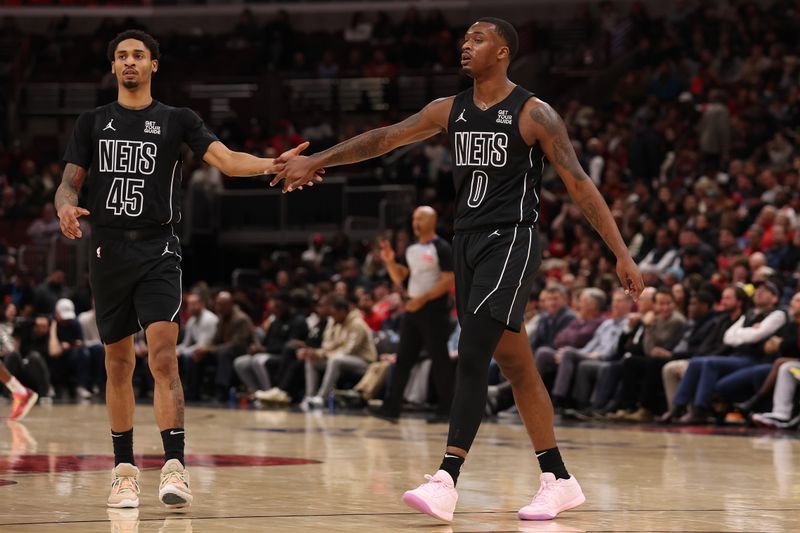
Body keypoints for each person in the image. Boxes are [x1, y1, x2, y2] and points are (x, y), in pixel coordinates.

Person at [274, 17, 643, 522]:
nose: (465, 45)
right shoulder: (450, 109)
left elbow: (579, 183)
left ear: (503, 53)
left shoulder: (535, 113)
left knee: (471, 352)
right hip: (466, 241)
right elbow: (386, 137)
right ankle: (557, 478)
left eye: (477, 39)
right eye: (465, 38)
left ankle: (447, 477)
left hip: (511, 239)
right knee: (515, 364)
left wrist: (620, 252)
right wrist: (320, 160)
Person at [54, 29, 313, 510]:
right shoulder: (92, 122)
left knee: (163, 356)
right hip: (107, 250)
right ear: (113, 67)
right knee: (117, 363)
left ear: (155, 65)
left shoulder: (177, 120)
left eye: (138, 56)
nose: (129, 62)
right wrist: (64, 207)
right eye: (122, 56)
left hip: (158, 249)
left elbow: (230, 162)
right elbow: (69, 184)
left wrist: (273, 164)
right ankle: (124, 471)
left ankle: (175, 466)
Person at [370, 205, 455, 423]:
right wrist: (389, 261)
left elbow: (448, 279)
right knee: (403, 359)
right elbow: (400, 277)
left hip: (434, 310)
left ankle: (446, 410)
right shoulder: (411, 248)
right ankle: (391, 409)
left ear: (433, 221)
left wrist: (423, 299)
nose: (416, 223)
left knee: (440, 360)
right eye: (415, 219)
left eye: (421, 219)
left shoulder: (442, 247)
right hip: (413, 310)